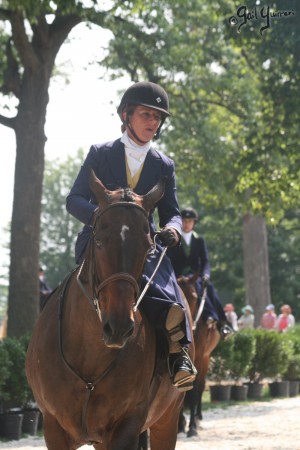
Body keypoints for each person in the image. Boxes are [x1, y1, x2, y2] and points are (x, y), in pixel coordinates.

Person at [66, 81, 197, 391]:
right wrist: (98, 216)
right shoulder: (100, 153)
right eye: (146, 114)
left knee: (172, 294)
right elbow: (74, 199)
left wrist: (173, 230)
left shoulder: (164, 165)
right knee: (65, 293)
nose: (153, 122)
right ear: (126, 115)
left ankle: (179, 355)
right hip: (102, 240)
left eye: (158, 117)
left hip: (143, 246)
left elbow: (172, 212)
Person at [167, 207, 234, 340]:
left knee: (209, 288)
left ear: (194, 223)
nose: (187, 224)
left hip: (195, 275)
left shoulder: (199, 240)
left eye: (190, 221)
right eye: (184, 221)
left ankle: (221, 323)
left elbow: (205, 261)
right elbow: (169, 260)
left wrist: (206, 274)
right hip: (176, 275)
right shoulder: (174, 239)